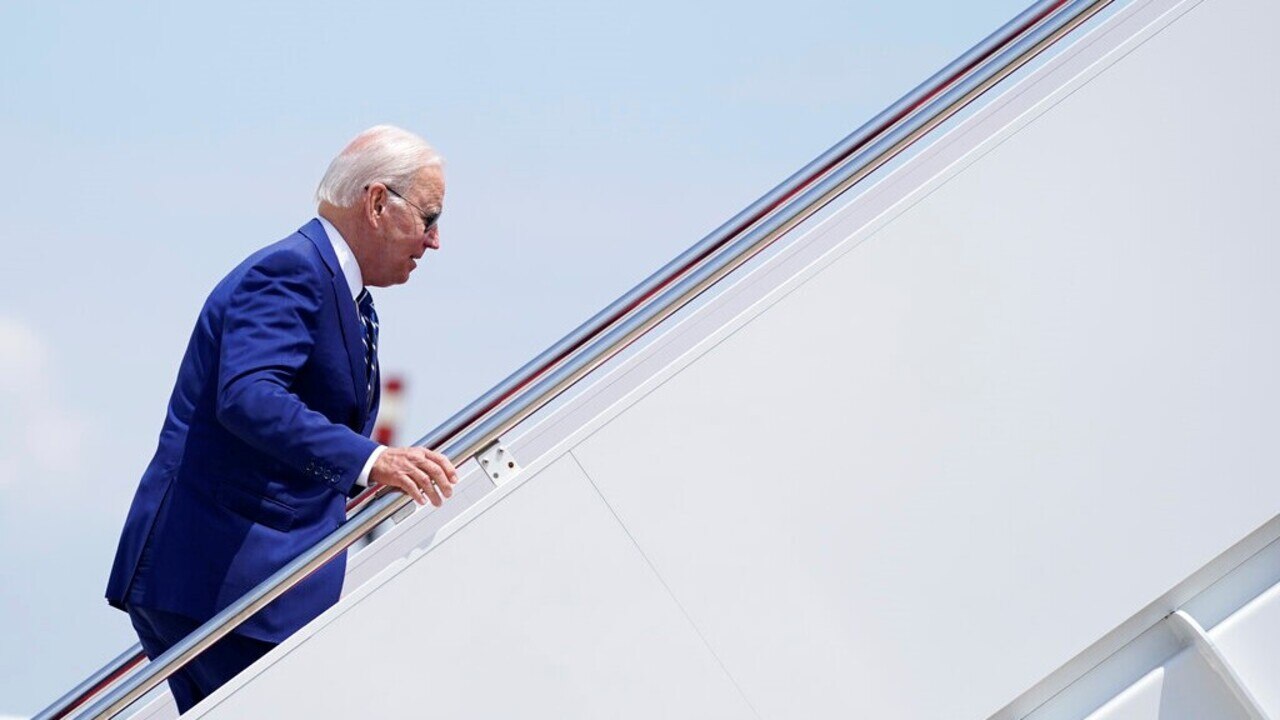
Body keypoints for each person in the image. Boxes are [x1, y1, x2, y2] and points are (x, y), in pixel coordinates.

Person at [104, 125, 459, 713]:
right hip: (225, 579)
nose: (436, 240)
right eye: (428, 218)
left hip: (239, 580)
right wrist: (371, 460)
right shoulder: (292, 272)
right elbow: (248, 397)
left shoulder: (346, 296)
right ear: (376, 203)